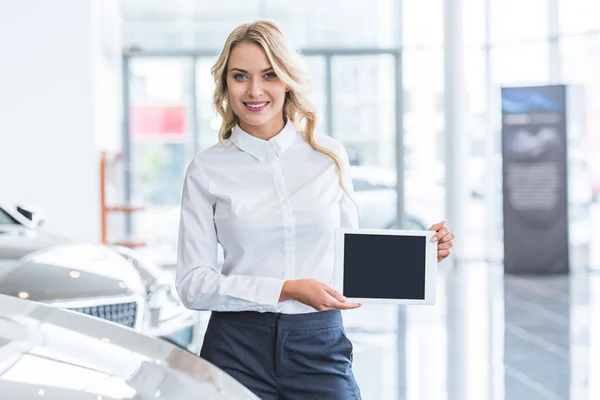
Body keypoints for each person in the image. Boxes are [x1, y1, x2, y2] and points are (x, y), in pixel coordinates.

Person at [176, 20, 455, 400]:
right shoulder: (207, 169)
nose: (254, 90)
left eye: (269, 75)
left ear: (287, 80)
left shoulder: (328, 157)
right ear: (225, 84)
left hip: (318, 344)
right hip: (234, 349)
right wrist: (285, 289)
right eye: (240, 76)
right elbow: (193, 285)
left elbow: (348, 262)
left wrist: (418, 258)